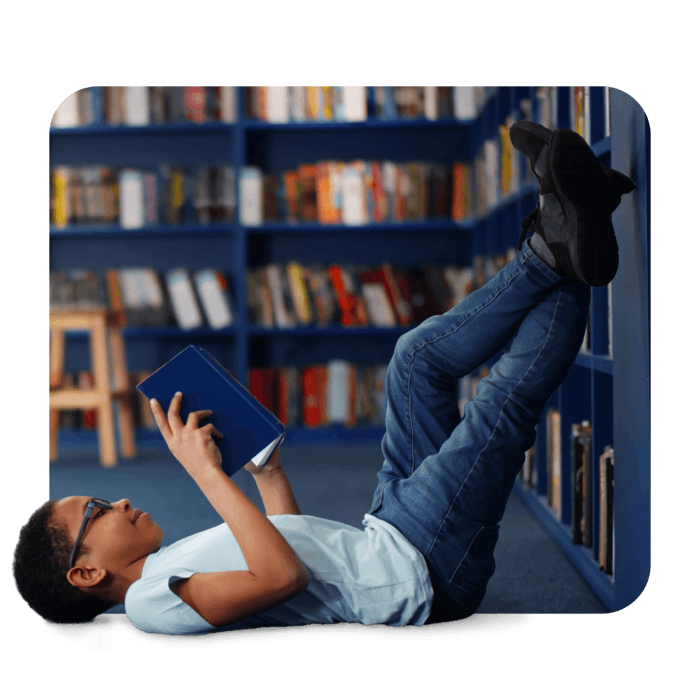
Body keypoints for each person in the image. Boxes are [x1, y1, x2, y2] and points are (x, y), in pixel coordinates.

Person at [19, 122, 635, 634]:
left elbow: (288, 550)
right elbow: (281, 577)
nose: (118, 500)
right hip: (422, 571)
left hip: (386, 531)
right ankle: (562, 232)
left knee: (414, 359)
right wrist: (206, 472)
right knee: (496, 413)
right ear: (85, 573)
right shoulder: (150, 606)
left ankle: (572, 224)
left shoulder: (165, 569)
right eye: (96, 509)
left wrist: (269, 474)